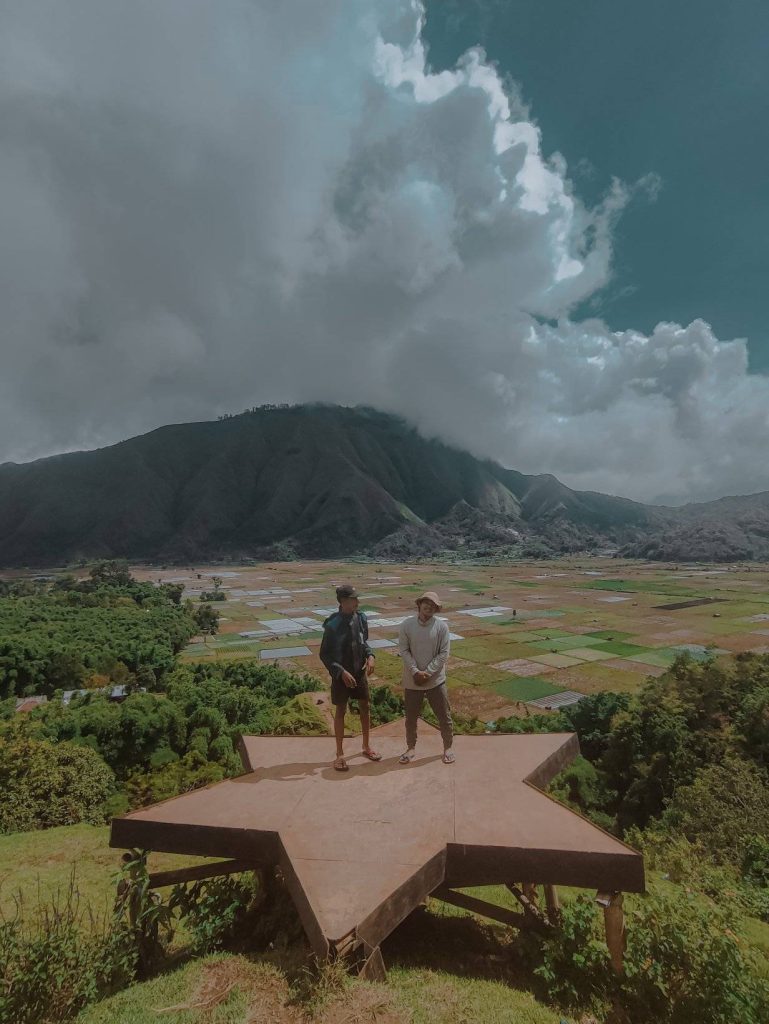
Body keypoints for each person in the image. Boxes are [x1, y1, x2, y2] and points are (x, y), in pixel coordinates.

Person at [319, 584, 380, 772]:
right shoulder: (332, 624)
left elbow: (364, 643)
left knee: (365, 706)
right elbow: (325, 654)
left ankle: (366, 747)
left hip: (359, 672)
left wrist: (370, 656)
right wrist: (340, 672)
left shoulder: (361, 618)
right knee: (341, 710)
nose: (357, 602)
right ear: (344, 602)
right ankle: (339, 754)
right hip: (341, 676)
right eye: (354, 599)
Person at [398, 591, 454, 764]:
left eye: (433, 605)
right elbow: (404, 651)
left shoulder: (441, 627)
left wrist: (427, 672)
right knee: (411, 718)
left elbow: (444, 653)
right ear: (419, 604)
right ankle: (410, 748)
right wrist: (415, 671)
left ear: (436, 609)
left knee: (444, 716)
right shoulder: (406, 625)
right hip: (412, 680)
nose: (429, 606)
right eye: (426, 603)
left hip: (436, 680)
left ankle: (448, 747)